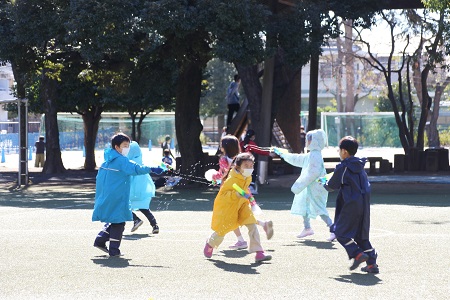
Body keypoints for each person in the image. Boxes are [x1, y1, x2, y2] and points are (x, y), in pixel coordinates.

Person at [92, 133, 164, 257]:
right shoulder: (121, 160)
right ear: (117, 147)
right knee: (119, 222)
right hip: (117, 196)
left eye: (128, 145)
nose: (127, 148)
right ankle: (113, 249)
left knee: (115, 220)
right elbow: (136, 169)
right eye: (125, 145)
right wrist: (152, 169)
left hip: (108, 195)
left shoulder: (108, 160)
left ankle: (100, 239)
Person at [323, 136, 379, 273]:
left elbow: (331, 186)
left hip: (350, 205)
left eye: (339, 150)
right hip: (364, 205)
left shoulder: (344, 167)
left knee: (339, 232)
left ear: (344, 152)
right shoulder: (359, 166)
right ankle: (372, 264)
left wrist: (323, 183)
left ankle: (357, 254)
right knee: (361, 236)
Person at [203, 152, 272, 262]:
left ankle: (259, 252)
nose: (250, 168)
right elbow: (223, 196)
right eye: (246, 166)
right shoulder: (232, 179)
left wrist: (246, 197)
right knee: (223, 229)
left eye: (251, 166)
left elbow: (244, 191)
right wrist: (236, 194)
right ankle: (210, 243)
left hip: (242, 205)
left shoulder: (247, 177)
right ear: (238, 167)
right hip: (228, 207)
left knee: (252, 224)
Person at [211, 135, 274, 250]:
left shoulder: (224, 159)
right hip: (244, 190)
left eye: (221, 145)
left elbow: (222, 174)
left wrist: (213, 176)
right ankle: (263, 225)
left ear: (225, 147)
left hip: (231, 191)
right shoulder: (241, 158)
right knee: (244, 215)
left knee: (231, 216)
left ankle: (241, 240)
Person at [276, 129, 334, 240]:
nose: (306, 141)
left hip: (316, 187)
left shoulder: (315, 155)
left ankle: (333, 228)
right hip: (310, 186)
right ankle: (307, 228)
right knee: (305, 205)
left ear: (315, 141)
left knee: (319, 208)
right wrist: (283, 154)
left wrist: (300, 184)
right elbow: (297, 159)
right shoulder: (311, 154)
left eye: (309, 139)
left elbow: (314, 172)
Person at [127, 141, 160, 234]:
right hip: (143, 184)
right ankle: (154, 225)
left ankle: (136, 219)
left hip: (132, 185)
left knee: (123, 205)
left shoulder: (129, 162)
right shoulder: (139, 161)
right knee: (143, 206)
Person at [240, 129, 272, 194]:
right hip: (249, 162)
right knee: (252, 174)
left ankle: (242, 188)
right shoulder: (251, 144)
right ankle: (250, 188)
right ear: (253, 136)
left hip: (241, 163)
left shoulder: (241, 143)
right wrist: (269, 153)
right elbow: (259, 150)